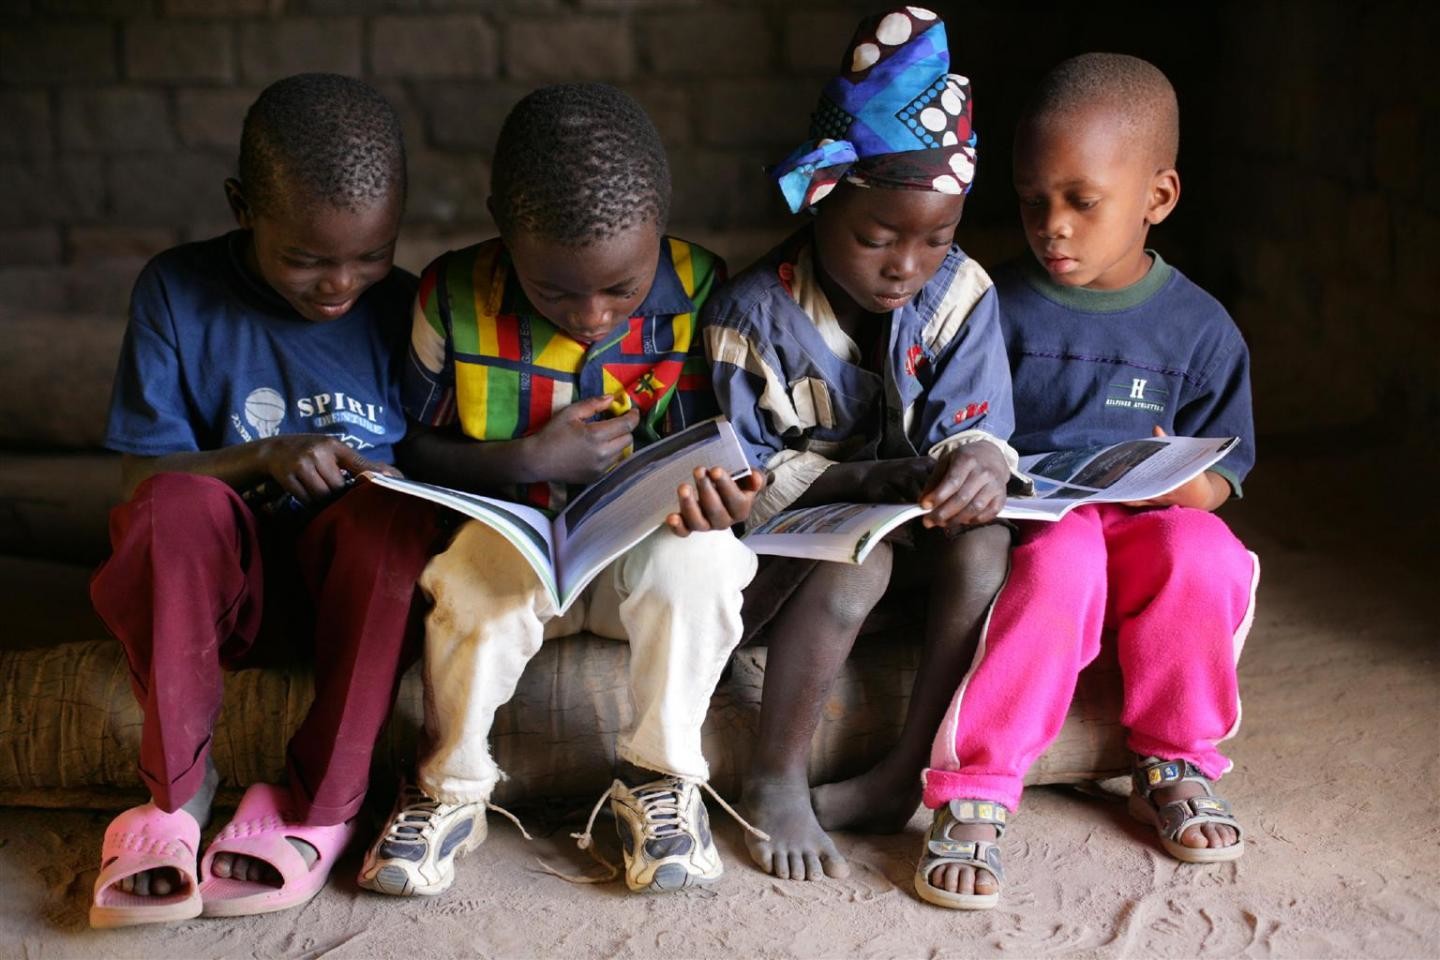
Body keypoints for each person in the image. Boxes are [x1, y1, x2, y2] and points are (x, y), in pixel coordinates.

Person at [357, 82, 766, 898]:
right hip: (515, 545)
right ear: (502, 230)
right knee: (470, 585)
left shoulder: (699, 289)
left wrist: (730, 501)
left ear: (661, 224)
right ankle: (451, 789)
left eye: (622, 288)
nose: (590, 315)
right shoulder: (451, 299)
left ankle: (659, 780)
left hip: (632, 568)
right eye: (555, 291)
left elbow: (725, 446)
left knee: (708, 565)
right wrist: (527, 460)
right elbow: (411, 445)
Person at [88, 74, 447, 927]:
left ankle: (319, 805)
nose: (340, 284)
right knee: (172, 504)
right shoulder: (179, 292)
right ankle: (174, 795)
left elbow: (440, 458)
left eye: (370, 254)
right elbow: (139, 485)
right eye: (306, 259)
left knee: (398, 519)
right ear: (241, 206)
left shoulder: (409, 310)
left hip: (354, 603)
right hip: (215, 600)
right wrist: (263, 456)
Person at [916, 53, 1258, 911]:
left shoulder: (1202, 329)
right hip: (1042, 523)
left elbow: (1224, 474)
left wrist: (1178, 488)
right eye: (1033, 202)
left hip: (1144, 521)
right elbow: (963, 424)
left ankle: (1173, 758)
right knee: (1066, 559)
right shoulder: (996, 306)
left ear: (1158, 198)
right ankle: (979, 786)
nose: (1052, 226)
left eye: (1081, 201)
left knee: (1206, 551)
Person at [701, 7, 1024, 883]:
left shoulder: (961, 294)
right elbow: (752, 481)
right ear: (822, 203)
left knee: (986, 542)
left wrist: (981, 464)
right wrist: (885, 477)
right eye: (877, 237)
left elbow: (980, 427)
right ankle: (775, 778)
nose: (906, 265)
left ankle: (900, 774)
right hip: (790, 560)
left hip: (913, 539)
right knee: (861, 562)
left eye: (936, 239)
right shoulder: (748, 317)